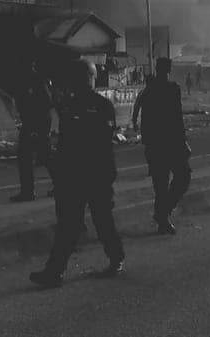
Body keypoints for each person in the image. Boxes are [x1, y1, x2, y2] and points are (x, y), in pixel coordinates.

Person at [29, 59, 124, 288]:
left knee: (103, 221)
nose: (84, 82)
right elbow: (64, 142)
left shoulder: (101, 105)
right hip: (73, 174)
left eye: (86, 77)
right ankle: (54, 271)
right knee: (68, 225)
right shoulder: (68, 105)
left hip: (96, 173)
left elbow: (103, 143)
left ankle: (116, 258)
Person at [133, 58, 190, 234]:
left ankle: (162, 217)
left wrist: (136, 123)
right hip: (170, 142)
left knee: (160, 184)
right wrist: (184, 141)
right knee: (183, 177)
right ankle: (163, 212)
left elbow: (138, 109)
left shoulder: (148, 90)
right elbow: (176, 117)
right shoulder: (172, 89)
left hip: (153, 143)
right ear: (169, 70)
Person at [10, 61, 56, 203]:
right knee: (44, 156)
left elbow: (47, 103)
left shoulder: (36, 81)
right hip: (32, 123)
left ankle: (28, 192)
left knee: (28, 156)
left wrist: (36, 126)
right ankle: (59, 185)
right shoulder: (25, 81)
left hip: (35, 124)